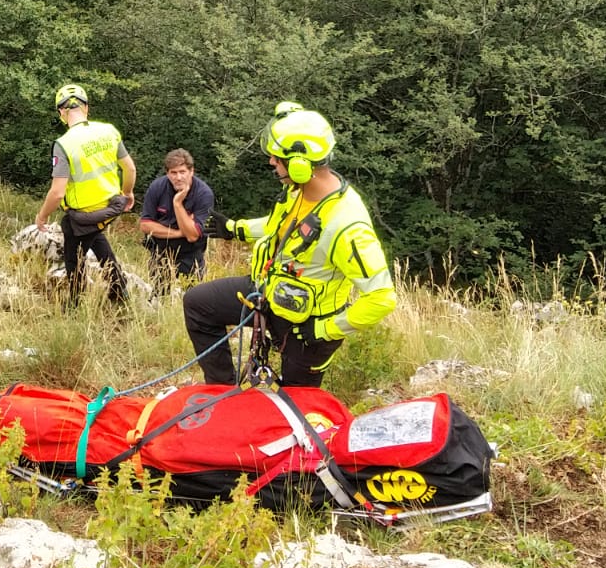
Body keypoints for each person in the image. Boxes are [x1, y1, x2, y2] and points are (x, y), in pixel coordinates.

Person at [182, 102, 396, 388]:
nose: (272, 162)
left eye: (277, 158)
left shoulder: (347, 225)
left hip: (307, 330)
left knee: (296, 407)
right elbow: (279, 227)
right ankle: (223, 391)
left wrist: (323, 329)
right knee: (198, 304)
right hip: (269, 294)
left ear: (300, 164)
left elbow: (381, 297)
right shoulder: (297, 190)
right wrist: (235, 229)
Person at [30, 83, 134, 305]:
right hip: (111, 206)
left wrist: (42, 216)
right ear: (86, 107)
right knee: (96, 237)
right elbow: (130, 168)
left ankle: (75, 303)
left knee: (73, 255)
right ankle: (119, 290)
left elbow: (58, 192)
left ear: (61, 112)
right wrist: (128, 193)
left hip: (84, 214)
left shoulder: (64, 144)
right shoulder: (109, 131)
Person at [139, 148, 215, 294]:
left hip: (190, 254)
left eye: (182, 172)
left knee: (194, 299)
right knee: (159, 298)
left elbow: (192, 236)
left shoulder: (203, 194)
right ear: (167, 173)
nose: (178, 177)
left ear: (191, 171)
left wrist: (177, 204)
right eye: (173, 173)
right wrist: (179, 232)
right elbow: (145, 225)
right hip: (160, 253)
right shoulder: (157, 187)